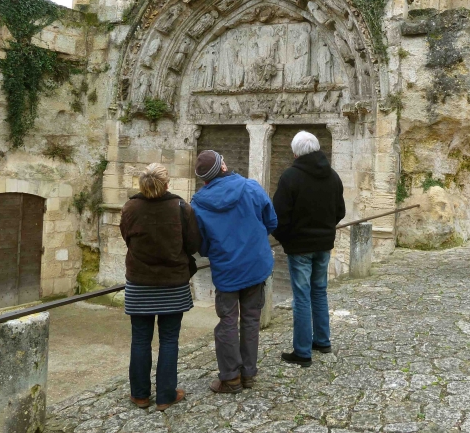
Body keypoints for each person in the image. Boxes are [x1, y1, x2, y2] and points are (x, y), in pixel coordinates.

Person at [190, 150, 277, 393]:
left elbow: (201, 243)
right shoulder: (250, 187)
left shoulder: (198, 204)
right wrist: (254, 239)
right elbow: (271, 221)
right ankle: (248, 373)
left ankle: (231, 378)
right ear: (224, 167)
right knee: (251, 319)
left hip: (226, 268)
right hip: (255, 264)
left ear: (204, 179)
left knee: (228, 321)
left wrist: (218, 250)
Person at [119, 163, 201, 411]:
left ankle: (141, 395)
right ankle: (166, 395)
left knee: (140, 340)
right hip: (172, 282)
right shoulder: (181, 208)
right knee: (169, 340)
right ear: (167, 184)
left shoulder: (130, 207)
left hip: (140, 282)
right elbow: (194, 243)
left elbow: (126, 237)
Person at [272, 131, 346, 367]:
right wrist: (324, 230)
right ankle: (322, 341)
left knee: (302, 297)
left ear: (295, 152)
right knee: (319, 291)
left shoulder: (290, 177)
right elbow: (340, 211)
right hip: (323, 245)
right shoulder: (332, 176)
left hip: (300, 247)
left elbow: (278, 217)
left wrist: (287, 240)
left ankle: (303, 351)